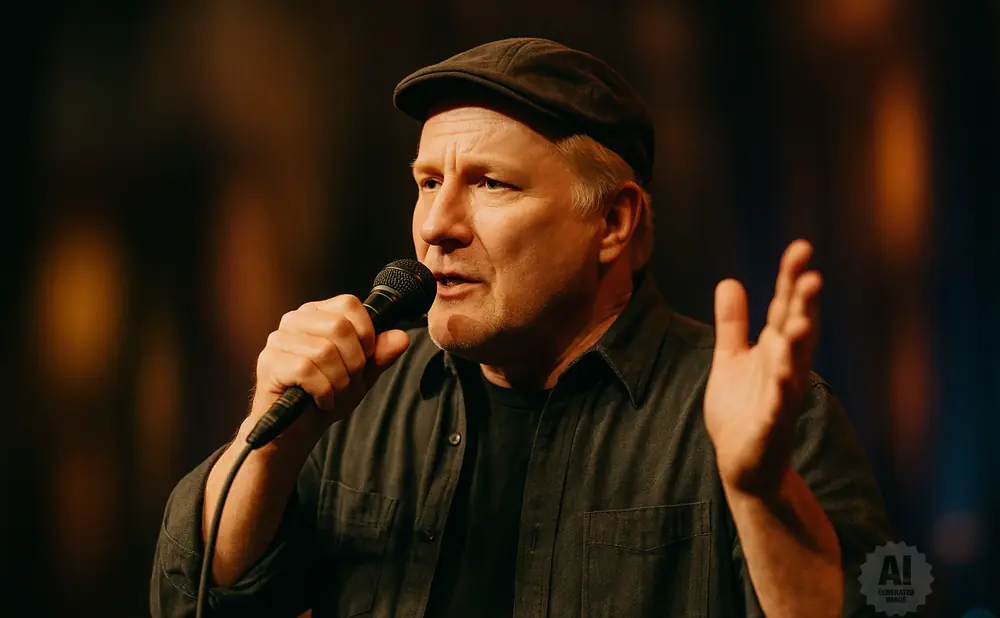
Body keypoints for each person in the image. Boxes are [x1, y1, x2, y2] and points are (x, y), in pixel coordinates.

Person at [151, 37, 893, 618]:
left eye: (490, 183)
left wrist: (760, 493)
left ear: (612, 221)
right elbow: (196, 597)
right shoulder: (358, 399)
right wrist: (276, 439)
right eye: (428, 183)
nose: (436, 227)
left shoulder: (753, 413)